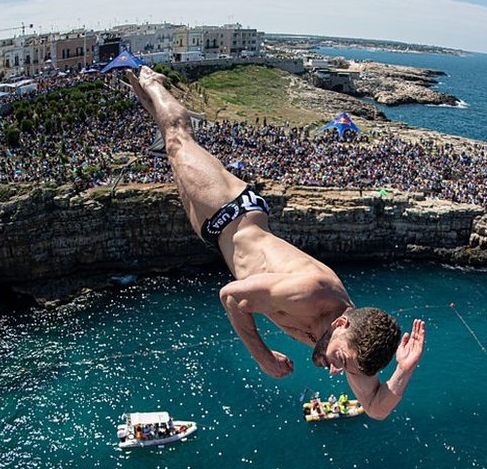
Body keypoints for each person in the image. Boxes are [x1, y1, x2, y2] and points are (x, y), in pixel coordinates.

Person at [127, 66, 425, 420]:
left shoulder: (352, 347)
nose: (335, 370)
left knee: (170, 143)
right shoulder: (313, 291)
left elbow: (376, 408)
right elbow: (232, 296)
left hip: (213, 233)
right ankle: (151, 80)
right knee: (178, 140)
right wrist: (264, 357)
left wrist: (405, 368)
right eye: (340, 362)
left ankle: (140, 89)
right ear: (343, 324)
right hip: (230, 209)